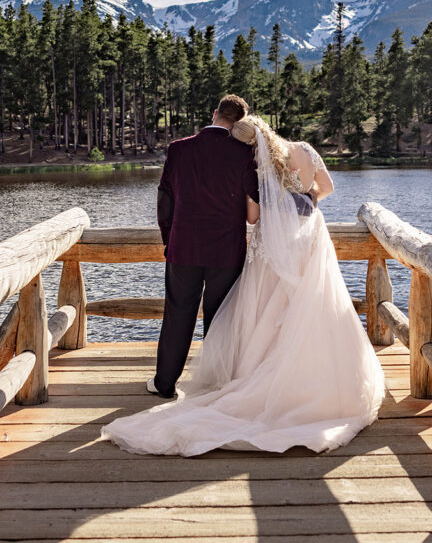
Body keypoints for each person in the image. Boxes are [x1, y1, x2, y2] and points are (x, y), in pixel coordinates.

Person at [101, 114, 385, 456]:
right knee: (311, 303)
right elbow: (326, 188)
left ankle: (177, 382)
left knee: (257, 309)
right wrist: (307, 200)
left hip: (237, 247)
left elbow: (250, 216)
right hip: (305, 238)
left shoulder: (244, 163)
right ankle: (313, 379)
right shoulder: (302, 150)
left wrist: (169, 237)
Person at [147, 94, 259, 400]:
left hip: (183, 248)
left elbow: (164, 200)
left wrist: (169, 240)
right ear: (239, 124)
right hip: (227, 251)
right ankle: (214, 386)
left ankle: (165, 383)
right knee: (220, 318)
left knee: (178, 315)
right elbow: (258, 199)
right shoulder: (243, 154)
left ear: (214, 114)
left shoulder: (178, 149)